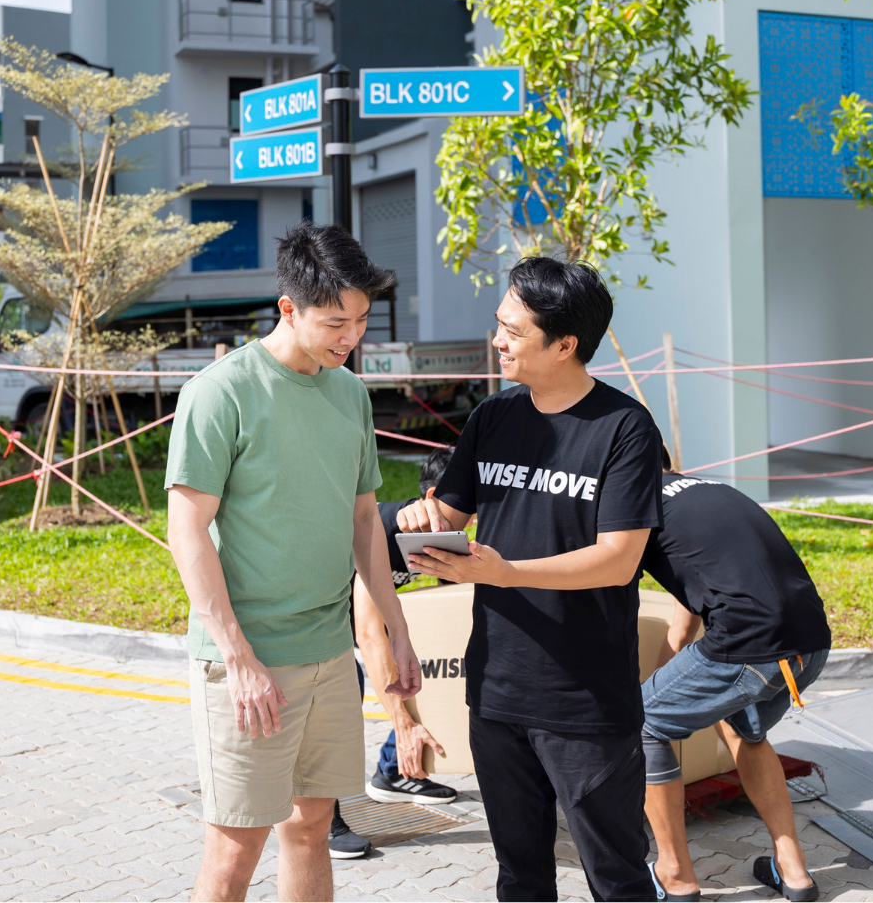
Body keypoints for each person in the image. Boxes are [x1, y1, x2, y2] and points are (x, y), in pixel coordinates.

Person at [165, 223, 421, 903]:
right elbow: (186, 530)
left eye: (362, 321)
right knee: (235, 844)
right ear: (288, 309)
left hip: (330, 654)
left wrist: (394, 630)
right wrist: (238, 655)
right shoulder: (222, 392)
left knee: (311, 825)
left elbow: (364, 519)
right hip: (248, 660)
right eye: (336, 322)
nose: (351, 337)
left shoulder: (349, 395)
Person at [401, 257, 663, 903]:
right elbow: (452, 513)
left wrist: (507, 571)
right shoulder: (494, 417)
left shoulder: (623, 429)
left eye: (512, 331)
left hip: (586, 702)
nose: (498, 342)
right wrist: (424, 517)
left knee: (618, 877)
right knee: (520, 877)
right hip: (496, 690)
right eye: (500, 326)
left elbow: (619, 558)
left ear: (565, 344)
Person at [638, 449, 831, 903]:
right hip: (812, 642)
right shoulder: (712, 490)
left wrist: (651, 696)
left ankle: (675, 876)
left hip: (749, 649)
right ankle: (795, 872)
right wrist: (672, 682)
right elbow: (688, 615)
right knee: (744, 730)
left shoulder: (638, 507)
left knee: (641, 724)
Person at [350, 446, 460, 806]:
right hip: (321, 621)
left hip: (365, 622)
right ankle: (325, 821)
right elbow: (368, 632)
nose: (473, 518)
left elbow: (454, 608)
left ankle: (394, 772)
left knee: (428, 671)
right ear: (431, 498)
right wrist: (401, 722)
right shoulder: (383, 528)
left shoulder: (445, 536)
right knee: (345, 691)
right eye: (466, 506)